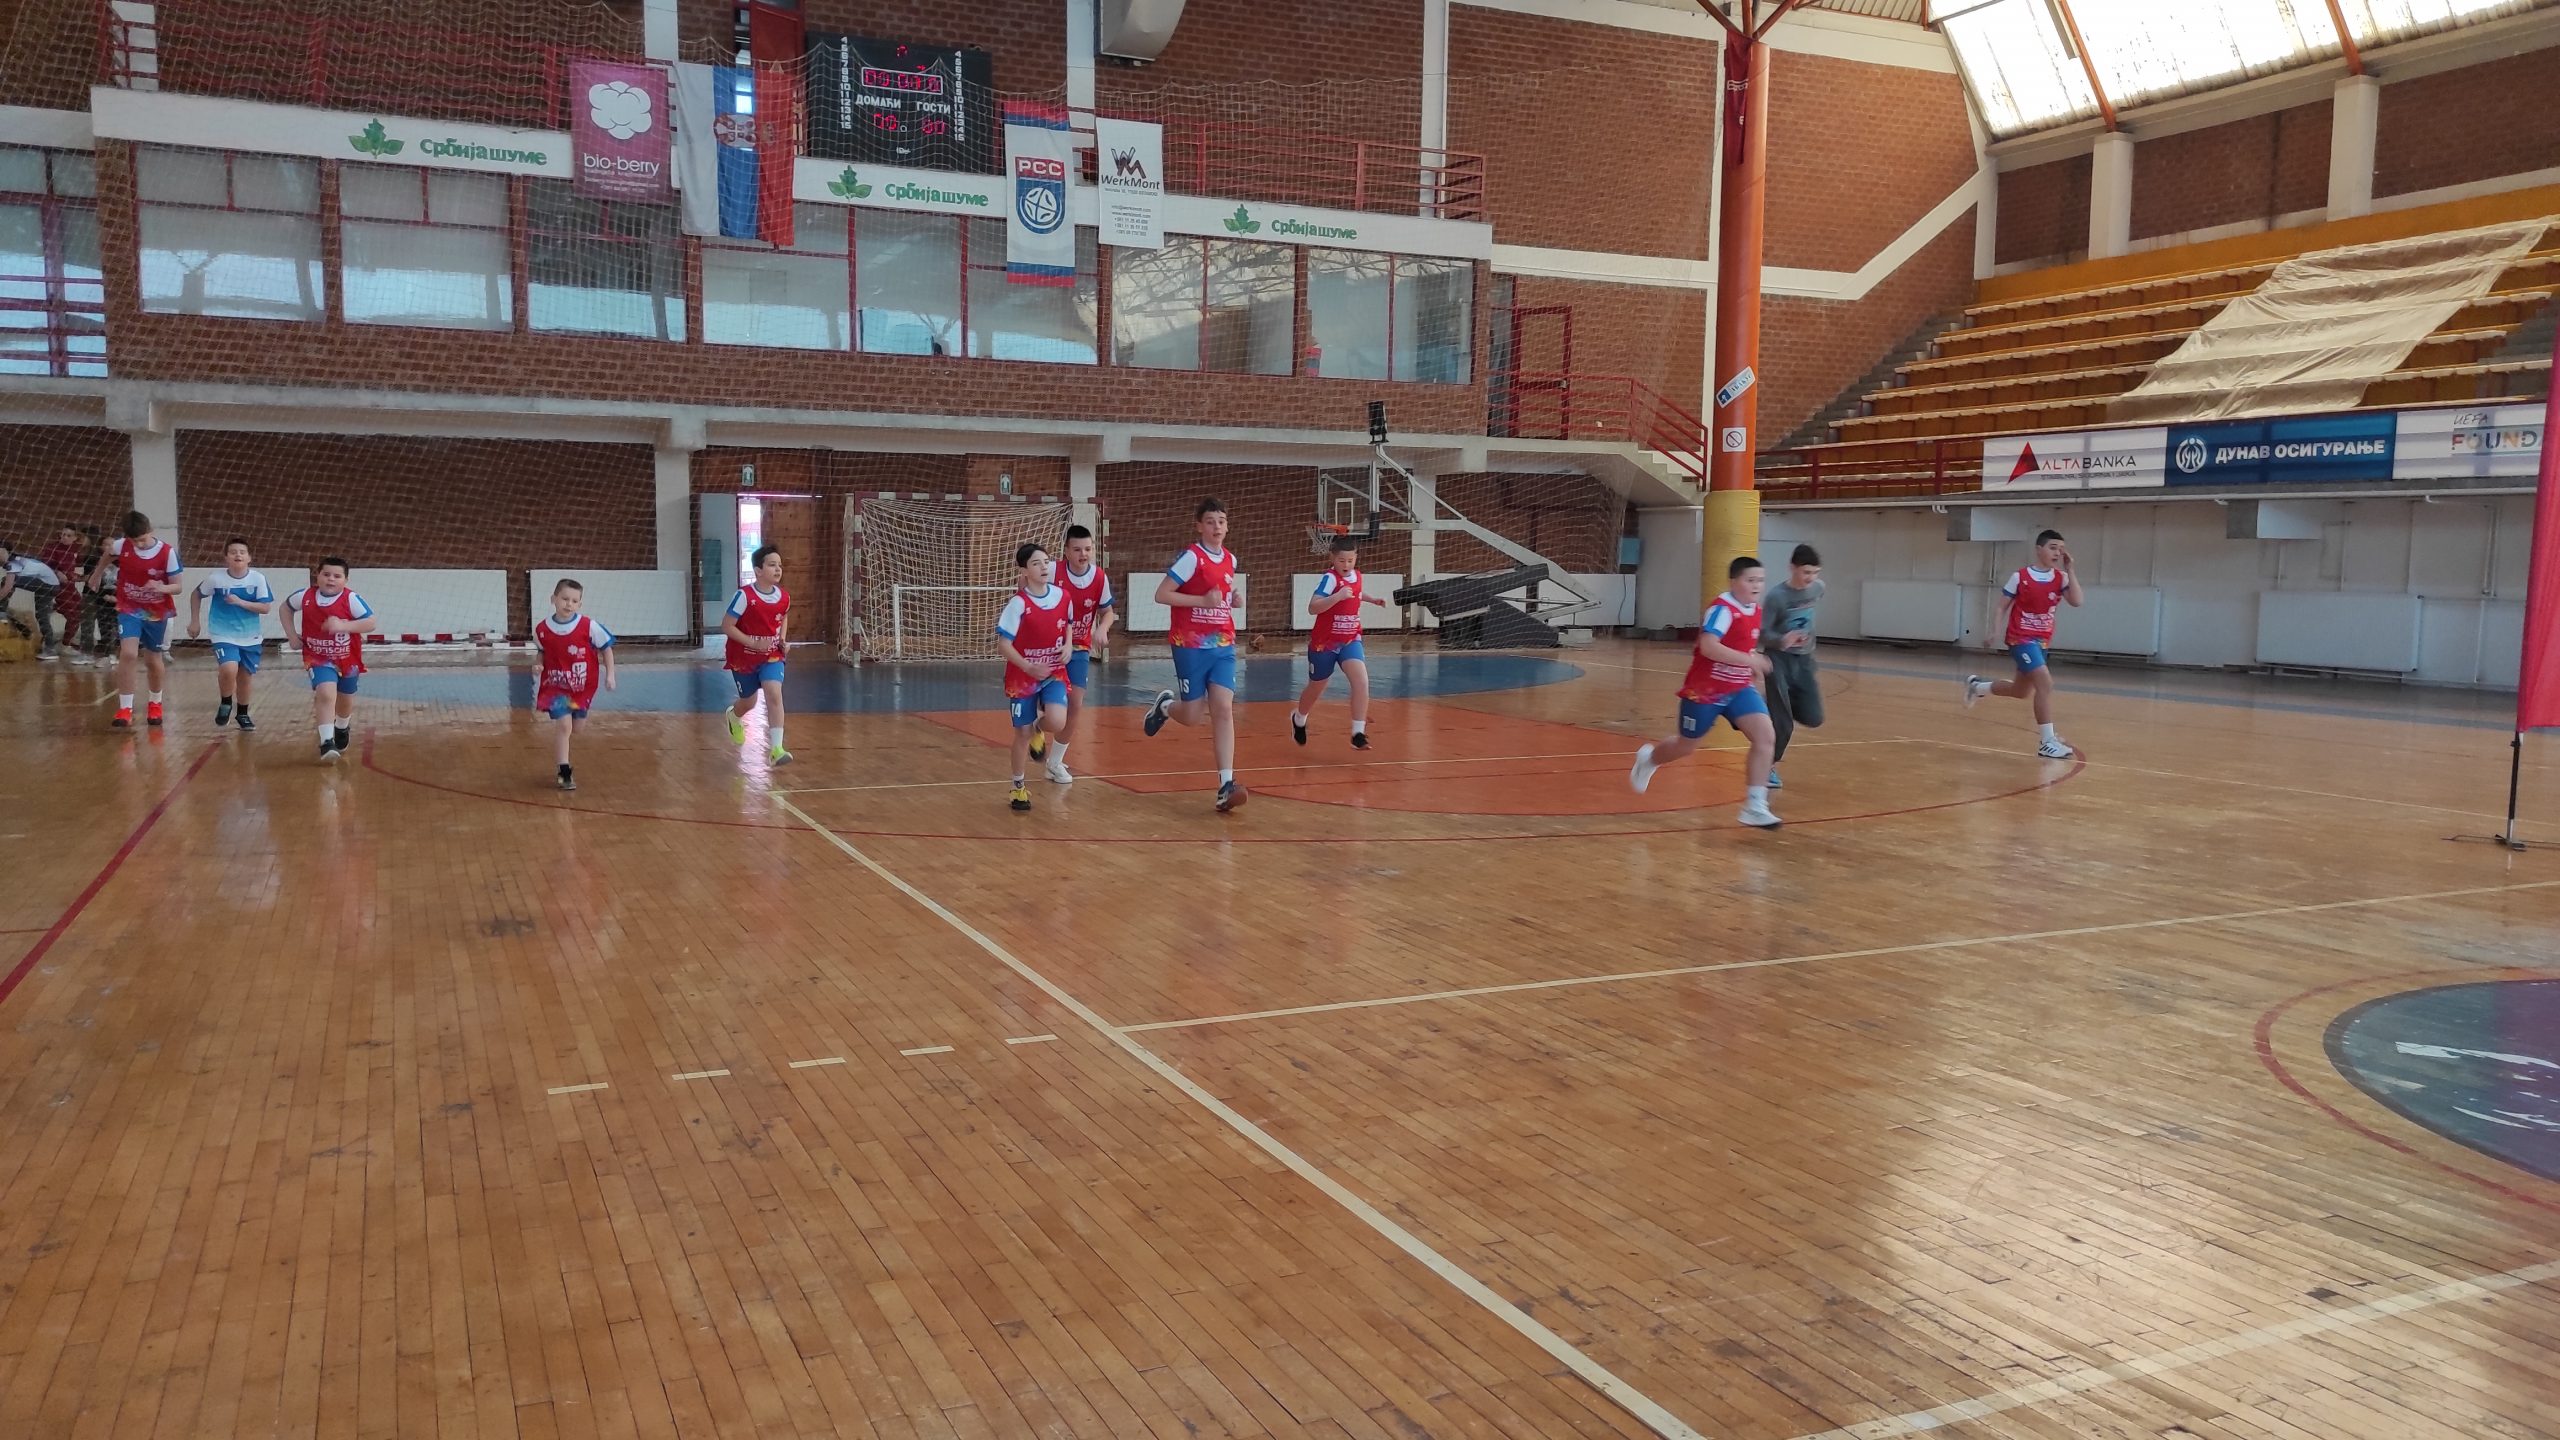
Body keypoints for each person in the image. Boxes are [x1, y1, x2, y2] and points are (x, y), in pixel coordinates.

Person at [1629, 555, 1781, 830]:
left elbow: (1742, 647)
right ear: (1733, 582)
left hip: (1738, 688)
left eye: (1760, 580)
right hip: (1705, 691)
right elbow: (1709, 647)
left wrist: (1752, 666)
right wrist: (1751, 660)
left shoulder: (1755, 610)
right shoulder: (1722, 610)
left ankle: (1755, 806)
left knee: (1766, 737)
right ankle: (1649, 759)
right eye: (1750, 580)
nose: (1757, 585)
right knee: (1685, 746)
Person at [1141, 497, 1247, 813]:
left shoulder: (1230, 559)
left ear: (1228, 526)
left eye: (1221, 521)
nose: (1217, 527)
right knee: (1191, 716)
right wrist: (1202, 600)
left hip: (1223, 644)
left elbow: (1219, 596)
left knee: (1223, 709)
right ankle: (1165, 706)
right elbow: (1162, 594)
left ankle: (1226, 785)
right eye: (1210, 521)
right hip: (1190, 644)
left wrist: (1232, 599)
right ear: (1199, 526)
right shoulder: (1191, 558)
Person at [1966, 528, 2081, 759]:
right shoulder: (2020, 576)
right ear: (2039, 549)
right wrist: (1994, 630)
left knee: (2021, 691)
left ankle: (1977, 687)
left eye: (2061, 549)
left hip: (2042, 641)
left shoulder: (2061, 578)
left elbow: (2077, 601)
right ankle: (2047, 742)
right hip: (2020, 638)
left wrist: (2070, 569)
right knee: (2045, 684)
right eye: (2052, 548)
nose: (2057, 553)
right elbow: (2001, 607)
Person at [1292, 533, 1392, 749]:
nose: (1346, 565)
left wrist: (1373, 599)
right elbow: (1313, 607)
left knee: (1361, 681)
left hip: (1350, 639)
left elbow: (1356, 593)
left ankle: (1358, 733)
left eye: (1350, 560)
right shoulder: (1330, 579)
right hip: (1325, 643)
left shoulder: (1357, 576)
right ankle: (1299, 718)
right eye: (1341, 560)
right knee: (1317, 687)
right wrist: (1337, 596)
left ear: (1356, 558)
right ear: (1332, 558)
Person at [995, 542, 1075, 812]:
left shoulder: (1063, 596)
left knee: (1057, 720)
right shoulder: (1018, 604)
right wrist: (1028, 667)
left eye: (1046, 562)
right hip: (1023, 676)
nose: (1043, 567)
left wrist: (1068, 645)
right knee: (1022, 733)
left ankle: (1039, 728)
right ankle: (1018, 786)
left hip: (1053, 671)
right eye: (1036, 563)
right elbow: (1003, 645)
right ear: (1024, 571)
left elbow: (1068, 625)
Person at [282, 557, 376, 761]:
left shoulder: (351, 599)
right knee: (325, 693)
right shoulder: (305, 596)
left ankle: (342, 726)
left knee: (345, 698)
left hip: (347, 657)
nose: (331, 579)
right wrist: (291, 635)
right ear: (317, 576)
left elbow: (370, 623)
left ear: (345, 580)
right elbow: (285, 608)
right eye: (326, 574)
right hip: (317, 656)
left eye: (337, 576)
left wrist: (343, 626)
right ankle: (326, 742)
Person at [533, 578, 616, 791]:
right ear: (553, 599)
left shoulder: (589, 626)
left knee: (577, 728)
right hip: (557, 686)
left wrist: (610, 675)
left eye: (574, 601)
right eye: (564, 599)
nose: (568, 604)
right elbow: (542, 651)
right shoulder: (542, 629)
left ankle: (565, 762)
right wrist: (538, 664)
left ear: (580, 604)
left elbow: (606, 649)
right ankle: (564, 772)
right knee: (564, 726)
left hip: (581, 687)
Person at [104, 511, 183, 729]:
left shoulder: (167, 552)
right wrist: (96, 574)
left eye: (142, 539)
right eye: (134, 541)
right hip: (129, 606)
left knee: (152, 660)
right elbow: (108, 554)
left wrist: (161, 587)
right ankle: (125, 709)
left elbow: (178, 586)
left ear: (150, 531)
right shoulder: (121, 545)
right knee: (128, 654)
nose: (138, 544)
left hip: (155, 611)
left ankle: (155, 703)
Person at [1049, 523, 1114, 785]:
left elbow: (1107, 612)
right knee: (1047, 705)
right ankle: (1036, 730)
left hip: (1079, 648)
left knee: (1075, 704)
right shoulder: (1051, 571)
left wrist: (1103, 628)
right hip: (1049, 647)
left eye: (1087, 549)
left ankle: (1055, 762)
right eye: (1077, 549)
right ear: (1066, 551)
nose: (1083, 554)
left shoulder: (1099, 577)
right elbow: (1026, 588)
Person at [187, 538, 275, 730]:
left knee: (245, 677)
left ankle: (242, 714)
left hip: (250, 636)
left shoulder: (258, 579)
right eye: (233, 552)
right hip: (222, 633)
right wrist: (195, 621)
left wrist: (240, 602)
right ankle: (226, 702)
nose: (238, 555)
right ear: (226, 557)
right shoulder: (216, 579)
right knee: (229, 668)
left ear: (249, 557)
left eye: (242, 552)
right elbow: (196, 594)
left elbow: (265, 607)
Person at [1759, 544, 1826, 790]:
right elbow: (1761, 634)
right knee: (1783, 723)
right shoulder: (1777, 597)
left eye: (1815, 572)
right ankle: (1769, 767)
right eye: (1806, 572)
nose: (1811, 578)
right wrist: (1781, 640)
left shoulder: (1818, 588)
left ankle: (1769, 708)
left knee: (1814, 717)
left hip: (1804, 661)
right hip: (1779, 660)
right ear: (1792, 568)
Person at [721, 544, 791, 766]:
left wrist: (782, 640)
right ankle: (733, 716)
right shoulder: (744, 596)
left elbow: (783, 617)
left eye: (779, 565)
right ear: (758, 570)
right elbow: (727, 626)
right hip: (744, 658)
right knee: (748, 702)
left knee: (774, 694)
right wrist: (752, 642)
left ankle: (777, 749)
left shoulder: (784, 597)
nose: (777, 569)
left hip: (772, 655)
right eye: (772, 565)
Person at [0, 540, 64, 659]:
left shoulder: (13, 563)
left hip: (48, 585)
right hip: (48, 585)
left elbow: (7, 588)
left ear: (7, 551)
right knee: (41, 616)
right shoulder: (16, 560)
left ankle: (2, 613)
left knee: (7, 582)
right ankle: (50, 648)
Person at [38, 526, 82, 659]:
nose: (65, 537)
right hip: (57, 586)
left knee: (80, 611)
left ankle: (66, 640)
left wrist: (75, 576)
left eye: (69, 535)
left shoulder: (74, 550)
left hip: (70, 587)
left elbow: (72, 568)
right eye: (63, 534)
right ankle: (64, 645)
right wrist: (57, 572)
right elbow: (44, 564)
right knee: (72, 615)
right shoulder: (52, 548)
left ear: (75, 538)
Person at [71, 524, 110, 665]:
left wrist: (80, 578)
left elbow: (96, 575)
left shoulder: (96, 555)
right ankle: (90, 652)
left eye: (82, 537)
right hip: (91, 592)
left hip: (99, 593)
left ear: (90, 537)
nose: (79, 540)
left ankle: (100, 654)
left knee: (100, 623)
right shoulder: (87, 553)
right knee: (88, 623)